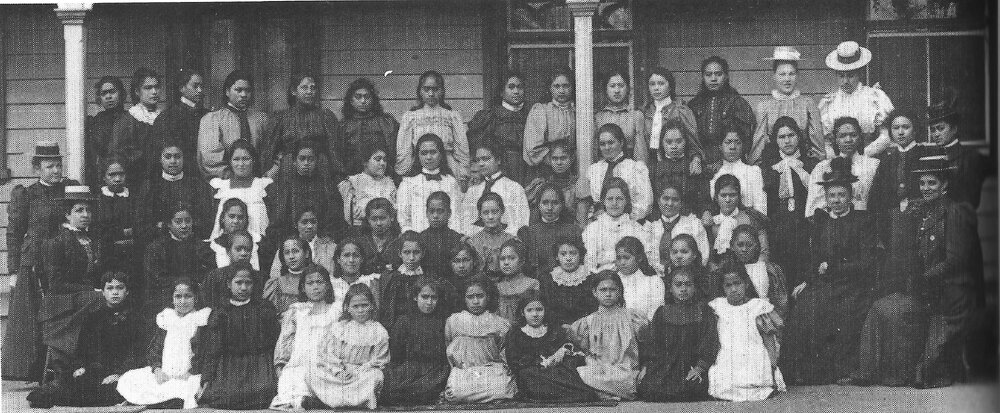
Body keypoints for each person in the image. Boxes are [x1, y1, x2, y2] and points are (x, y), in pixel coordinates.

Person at [783, 162, 877, 385]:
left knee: (842, 309)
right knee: (806, 305)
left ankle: (840, 369)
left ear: (850, 195)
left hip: (854, 284)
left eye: (841, 195)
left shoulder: (862, 222)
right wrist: (807, 280)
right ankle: (805, 371)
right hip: (824, 282)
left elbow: (866, 263)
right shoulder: (821, 222)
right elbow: (814, 259)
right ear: (825, 197)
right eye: (831, 195)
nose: (836, 200)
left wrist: (833, 268)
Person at [27, 271, 144, 408]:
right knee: (76, 384)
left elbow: (136, 351)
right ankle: (52, 394)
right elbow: (83, 348)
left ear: (127, 291)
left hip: (123, 372)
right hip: (97, 370)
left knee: (115, 390)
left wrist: (119, 373)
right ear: (103, 292)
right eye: (110, 288)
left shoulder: (135, 319)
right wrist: (80, 366)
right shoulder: (93, 317)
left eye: (120, 288)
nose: (115, 293)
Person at [36, 186, 107, 385]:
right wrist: (90, 290)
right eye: (79, 210)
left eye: (88, 210)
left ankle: (97, 364)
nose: (85, 215)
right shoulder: (56, 242)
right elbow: (55, 284)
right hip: (58, 301)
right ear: (67, 214)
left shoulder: (91, 240)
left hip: (82, 297)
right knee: (98, 299)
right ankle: (67, 364)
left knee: (109, 299)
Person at [116, 278, 210, 409]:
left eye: (188, 296)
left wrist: (191, 372)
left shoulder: (200, 320)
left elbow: (204, 351)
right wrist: (157, 369)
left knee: (185, 390)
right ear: (172, 299)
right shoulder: (166, 318)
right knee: (129, 380)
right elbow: (155, 348)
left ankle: (162, 403)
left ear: (196, 298)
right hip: (165, 373)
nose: (182, 301)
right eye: (178, 296)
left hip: (188, 375)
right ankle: (149, 402)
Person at [200, 264, 279, 409]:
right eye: (238, 283)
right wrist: (206, 379)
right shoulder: (221, 312)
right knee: (224, 395)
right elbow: (213, 349)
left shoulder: (263, 309)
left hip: (258, 364)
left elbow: (274, 342)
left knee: (264, 391)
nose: (243, 288)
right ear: (229, 284)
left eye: (248, 283)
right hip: (229, 365)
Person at [637, 268, 718, 402]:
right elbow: (653, 343)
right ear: (670, 288)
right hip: (666, 365)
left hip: (692, 364)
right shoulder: (662, 312)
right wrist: (646, 366)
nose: (683, 289)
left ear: (695, 287)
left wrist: (700, 367)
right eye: (678, 285)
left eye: (688, 284)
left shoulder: (704, 312)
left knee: (692, 388)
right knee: (649, 388)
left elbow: (710, 341)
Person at [707, 265, 786, 402]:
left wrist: (772, 364)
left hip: (753, 353)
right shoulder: (718, 307)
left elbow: (768, 339)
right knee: (723, 381)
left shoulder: (756, 307)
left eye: (737, 284)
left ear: (746, 284)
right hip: (729, 354)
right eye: (728, 285)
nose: (733, 289)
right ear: (723, 288)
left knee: (756, 379)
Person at [506, 292, 599, 402]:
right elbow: (514, 361)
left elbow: (569, 347)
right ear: (522, 312)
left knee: (568, 369)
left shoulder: (553, 330)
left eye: (539, 309)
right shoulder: (515, 333)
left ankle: (573, 394)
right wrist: (542, 363)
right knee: (527, 375)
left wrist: (562, 351)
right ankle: (570, 395)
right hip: (532, 373)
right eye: (529, 310)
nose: (535, 314)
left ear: (545, 311)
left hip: (555, 370)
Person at [568, 270, 647, 400]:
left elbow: (646, 346)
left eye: (612, 289)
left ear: (620, 291)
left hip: (626, 372)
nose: (608, 294)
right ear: (595, 292)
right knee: (581, 373)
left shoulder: (632, 317)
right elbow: (584, 351)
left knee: (632, 379)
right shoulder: (588, 322)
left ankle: (604, 392)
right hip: (599, 371)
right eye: (603, 290)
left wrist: (644, 367)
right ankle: (608, 392)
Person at [760, 117, 819, 286]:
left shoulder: (810, 165)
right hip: (779, 229)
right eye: (781, 137)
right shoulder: (769, 168)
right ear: (775, 140)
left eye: (791, 135)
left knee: (804, 273)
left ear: (799, 137)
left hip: (805, 227)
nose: (787, 141)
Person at [269, 266, 336, 411]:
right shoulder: (297, 311)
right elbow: (285, 340)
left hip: (327, 363)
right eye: (310, 283)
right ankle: (306, 400)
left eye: (320, 282)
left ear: (328, 285)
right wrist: (281, 364)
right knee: (290, 382)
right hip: (300, 363)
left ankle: (320, 398)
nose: (315, 287)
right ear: (303, 288)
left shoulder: (335, 311)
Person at [443, 277, 517, 403]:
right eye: (470, 297)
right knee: (454, 393)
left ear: (488, 297)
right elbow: (449, 347)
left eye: (480, 296)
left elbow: (503, 351)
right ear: (464, 299)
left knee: (506, 389)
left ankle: (476, 395)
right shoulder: (453, 321)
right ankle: (486, 396)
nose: (476, 301)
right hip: (464, 371)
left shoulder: (500, 323)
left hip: (491, 370)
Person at [748, 47, 826, 164]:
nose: (787, 79)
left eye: (791, 74)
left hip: (804, 163)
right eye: (782, 74)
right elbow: (758, 145)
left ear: (797, 75)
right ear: (774, 76)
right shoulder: (764, 107)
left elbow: (817, 144)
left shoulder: (808, 104)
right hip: (772, 164)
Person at [262, 73, 345, 184]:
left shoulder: (325, 116)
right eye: (304, 87)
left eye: (313, 88)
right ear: (294, 91)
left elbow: (334, 148)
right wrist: (269, 172)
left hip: (320, 170)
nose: (309, 91)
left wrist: (338, 176)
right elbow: (270, 148)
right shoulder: (281, 118)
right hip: (289, 170)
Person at [381, 277, 452, 406]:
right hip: (409, 368)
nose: (429, 302)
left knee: (432, 383)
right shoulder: (404, 320)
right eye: (425, 297)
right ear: (415, 297)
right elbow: (397, 354)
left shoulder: (442, 321)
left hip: (434, 369)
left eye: (434, 298)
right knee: (391, 386)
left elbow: (444, 354)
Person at [267, 139, 347, 247]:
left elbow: (335, 218)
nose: (306, 163)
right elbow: (279, 220)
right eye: (302, 159)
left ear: (317, 161)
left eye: (310, 159)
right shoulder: (285, 187)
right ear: (294, 162)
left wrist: (325, 237)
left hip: (322, 240)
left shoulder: (327, 186)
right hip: (293, 240)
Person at [819, 41, 894, 157]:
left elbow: (886, 135)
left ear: (859, 73)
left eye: (850, 75)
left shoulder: (875, 97)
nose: (845, 81)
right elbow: (825, 142)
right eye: (841, 76)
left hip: (871, 158)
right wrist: (837, 160)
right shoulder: (828, 103)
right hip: (839, 163)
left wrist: (863, 157)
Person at [396, 70, 470, 185]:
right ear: (420, 91)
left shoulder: (451, 116)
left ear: (442, 91)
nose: (431, 93)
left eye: (435, 89)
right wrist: (404, 173)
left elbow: (462, 148)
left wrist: (463, 173)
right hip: (419, 166)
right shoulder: (411, 117)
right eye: (426, 89)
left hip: (448, 167)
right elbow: (404, 150)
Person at [135, 141, 214, 245]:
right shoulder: (150, 187)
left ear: (183, 158)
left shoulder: (197, 185)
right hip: (160, 244)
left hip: (191, 243)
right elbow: (142, 224)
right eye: (168, 157)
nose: (173, 161)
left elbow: (205, 221)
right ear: (160, 159)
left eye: (177, 157)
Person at [198, 70, 268, 180]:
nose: (244, 95)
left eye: (248, 90)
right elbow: (210, 158)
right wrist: (232, 178)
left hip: (258, 182)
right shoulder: (213, 119)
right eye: (238, 90)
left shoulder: (261, 119)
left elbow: (267, 152)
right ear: (227, 92)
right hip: (226, 183)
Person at [688, 56, 756, 168]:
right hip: (699, 165)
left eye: (718, 74)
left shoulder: (738, 103)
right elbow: (689, 139)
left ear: (726, 76)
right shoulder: (694, 105)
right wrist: (696, 158)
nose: (713, 79)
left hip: (730, 164)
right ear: (703, 77)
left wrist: (723, 162)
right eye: (708, 74)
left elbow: (746, 140)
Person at [805, 117, 882, 217]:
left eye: (853, 135)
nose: (848, 140)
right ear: (835, 139)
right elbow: (815, 205)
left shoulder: (873, 165)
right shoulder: (822, 167)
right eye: (842, 136)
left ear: (859, 138)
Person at [144, 203, 212, 314]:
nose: (184, 226)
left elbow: (208, 275)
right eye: (178, 222)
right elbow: (158, 279)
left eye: (188, 221)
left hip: (196, 298)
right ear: (169, 224)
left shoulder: (201, 247)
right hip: (166, 300)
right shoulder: (156, 249)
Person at [468, 72, 531, 185]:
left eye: (519, 87)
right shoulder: (490, 116)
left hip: (526, 171)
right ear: (502, 92)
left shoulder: (531, 115)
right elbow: (478, 149)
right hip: (499, 170)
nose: (516, 91)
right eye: (511, 87)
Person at [927, 94, 989, 209]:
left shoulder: (971, 157)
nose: (935, 134)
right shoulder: (931, 157)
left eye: (940, 128)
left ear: (954, 129)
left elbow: (972, 199)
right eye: (932, 130)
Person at [584, 123, 653, 221]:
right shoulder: (594, 170)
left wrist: (622, 220)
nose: (607, 147)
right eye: (602, 144)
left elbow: (645, 204)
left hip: (628, 224)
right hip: (600, 224)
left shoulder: (636, 168)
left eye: (611, 142)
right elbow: (589, 203)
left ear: (621, 142)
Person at [396, 133, 463, 233]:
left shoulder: (450, 181)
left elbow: (455, 215)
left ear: (441, 154)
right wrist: (411, 236)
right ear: (417, 155)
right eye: (424, 153)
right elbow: (404, 217)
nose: (428, 157)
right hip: (418, 238)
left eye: (433, 152)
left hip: (446, 238)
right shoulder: (408, 183)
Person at [111, 67, 166, 188]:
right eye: (148, 88)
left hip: (163, 180)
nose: (154, 92)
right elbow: (120, 155)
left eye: (156, 87)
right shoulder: (127, 120)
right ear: (137, 91)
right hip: (137, 182)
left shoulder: (165, 117)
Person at [208, 139, 273, 243]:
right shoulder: (221, 188)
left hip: (257, 245)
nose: (241, 164)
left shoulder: (263, 186)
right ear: (230, 162)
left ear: (253, 160)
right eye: (236, 159)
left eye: (246, 159)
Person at [643, 67, 703, 177]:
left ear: (670, 86)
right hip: (651, 166)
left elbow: (693, 144)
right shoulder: (646, 112)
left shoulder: (681, 110)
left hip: (676, 166)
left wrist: (696, 159)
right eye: (652, 84)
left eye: (661, 84)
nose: (656, 88)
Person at [461, 144, 530, 236]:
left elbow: (521, 222)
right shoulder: (473, 191)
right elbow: (464, 221)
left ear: (498, 160)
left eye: (486, 159)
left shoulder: (514, 188)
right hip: (476, 240)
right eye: (478, 160)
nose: (481, 164)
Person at [641, 182, 710, 273]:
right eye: (666, 198)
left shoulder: (694, 225)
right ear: (658, 201)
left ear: (681, 203)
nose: (670, 203)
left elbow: (703, 256)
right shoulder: (649, 228)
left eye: (675, 200)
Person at [582, 178, 649, 273]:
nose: (614, 203)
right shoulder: (593, 229)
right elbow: (589, 263)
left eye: (619, 199)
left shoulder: (636, 229)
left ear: (626, 201)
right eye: (610, 199)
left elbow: (642, 261)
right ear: (603, 201)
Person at [338, 77, 400, 179]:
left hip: (383, 176)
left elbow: (395, 151)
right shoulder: (344, 125)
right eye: (358, 97)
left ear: (373, 99)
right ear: (351, 100)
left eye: (367, 97)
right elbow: (339, 156)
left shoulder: (386, 122)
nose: (363, 101)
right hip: (353, 177)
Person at [518, 183, 582, 274]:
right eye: (545, 202)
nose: (549, 208)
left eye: (555, 203)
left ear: (562, 205)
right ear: (538, 205)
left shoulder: (573, 231)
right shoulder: (530, 233)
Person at [704, 174, 769, 263]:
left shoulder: (751, 218)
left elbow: (764, 252)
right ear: (716, 197)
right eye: (723, 195)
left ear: (739, 197)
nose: (727, 200)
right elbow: (708, 254)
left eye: (732, 195)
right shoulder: (711, 222)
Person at [523, 69, 576, 178]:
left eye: (566, 86)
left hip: (574, 169)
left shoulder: (577, 112)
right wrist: (557, 161)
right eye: (557, 86)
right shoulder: (541, 110)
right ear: (550, 88)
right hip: (547, 171)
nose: (561, 90)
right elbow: (533, 149)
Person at [729, 225, 790, 319]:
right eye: (740, 245)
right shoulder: (726, 272)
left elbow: (781, 303)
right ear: (732, 246)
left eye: (749, 245)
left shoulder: (770, 269)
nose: (744, 249)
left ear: (757, 246)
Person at [650, 119, 708, 217]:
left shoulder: (693, 166)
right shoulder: (655, 168)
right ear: (662, 143)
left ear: (685, 141)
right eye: (668, 142)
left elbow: (704, 197)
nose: (674, 146)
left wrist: (706, 211)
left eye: (679, 141)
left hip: (689, 217)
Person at [523, 140, 586, 225]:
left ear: (571, 159)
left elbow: (581, 220)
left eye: (563, 158)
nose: (559, 163)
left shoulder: (577, 186)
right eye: (555, 158)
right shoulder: (541, 184)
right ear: (549, 159)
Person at [94, 155, 138, 277]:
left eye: (121, 174)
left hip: (131, 255)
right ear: (104, 177)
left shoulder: (134, 198)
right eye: (111, 175)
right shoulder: (98, 200)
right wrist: (124, 232)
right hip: (105, 255)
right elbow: (98, 228)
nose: (117, 179)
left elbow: (140, 225)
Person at [708, 128, 767, 217]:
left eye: (737, 142)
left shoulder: (753, 172)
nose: (733, 147)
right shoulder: (713, 173)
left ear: (743, 146)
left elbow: (760, 209)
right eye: (728, 142)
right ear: (720, 146)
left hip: (748, 225)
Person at [156, 68, 209, 167]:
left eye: (201, 86)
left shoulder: (208, 115)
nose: (200, 90)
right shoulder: (168, 117)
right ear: (182, 88)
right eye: (195, 86)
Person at [594, 69, 648, 164]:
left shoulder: (636, 115)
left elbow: (640, 152)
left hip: (629, 168)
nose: (617, 90)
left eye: (621, 86)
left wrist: (640, 172)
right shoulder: (599, 117)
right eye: (612, 86)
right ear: (606, 89)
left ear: (627, 89)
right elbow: (594, 151)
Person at [539, 237, 597, 328]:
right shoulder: (548, 279)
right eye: (563, 254)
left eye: (573, 253)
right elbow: (546, 308)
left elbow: (594, 308)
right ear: (556, 257)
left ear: (580, 255)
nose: (568, 258)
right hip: (556, 327)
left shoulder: (591, 278)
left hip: (585, 327)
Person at [267, 207, 338, 279]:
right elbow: (275, 277)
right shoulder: (286, 249)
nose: (310, 226)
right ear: (296, 225)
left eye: (313, 222)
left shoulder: (331, 247)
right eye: (304, 222)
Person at [339, 145, 397, 228]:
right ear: (365, 162)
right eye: (378, 159)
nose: (382, 163)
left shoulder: (389, 183)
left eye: (385, 160)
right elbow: (350, 217)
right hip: (361, 231)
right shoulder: (352, 183)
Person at [85, 76, 126, 187]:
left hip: (124, 177)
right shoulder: (96, 122)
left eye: (112, 92)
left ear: (121, 94)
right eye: (104, 93)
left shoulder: (130, 120)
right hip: (102, 178)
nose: (108, 96)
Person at [329, 238, 384, 321]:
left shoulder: (372, 281)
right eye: (346, 255)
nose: (351, 260)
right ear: (338, 259)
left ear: (362, 259)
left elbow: (376, 314)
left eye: (356, 255)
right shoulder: (331, 283)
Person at [200, 230, 258, 307]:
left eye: (248, 250)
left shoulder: (258, 277)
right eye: (238, 249)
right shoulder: (215, 276)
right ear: (228, 251)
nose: (243, 253)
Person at [379, 231, 426, 327]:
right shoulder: (390, 277)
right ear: (400, 253)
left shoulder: (427, 277)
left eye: (416, 252)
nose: (412, 258)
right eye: (407, 252)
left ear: (423, 253)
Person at [616, 236, 665, 321]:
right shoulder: (611, 281)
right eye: (619, 258)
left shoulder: (653, 281)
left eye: (626, 258)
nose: (622, 262)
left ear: (639, 258)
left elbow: (654, 315)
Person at [205, 198, 263, 270]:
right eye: (231, 216)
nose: (236, 221)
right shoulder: (210, 248)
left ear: (246, 220)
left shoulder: (259, 244)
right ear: (223, 218)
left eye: (240, 217)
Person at [262, 236, 314, 315]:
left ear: (306, 253)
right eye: (287, 253)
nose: (291, 257)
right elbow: (269, 316)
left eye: (295, 251)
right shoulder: (276, 284)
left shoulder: (315, 281)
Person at [467, 192, 516, 275]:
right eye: (486, 213)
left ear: (502, 211)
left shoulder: (511, 240)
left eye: (494, 212)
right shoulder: (473, 241)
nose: (490, 217)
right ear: (480, 215)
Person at [350, 198, 403, 274]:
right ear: (368, 219)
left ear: (392, 217)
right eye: (374, 219)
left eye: (382, 218)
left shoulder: (399, 240)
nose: (378, 223)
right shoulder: (360, 241)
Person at [419, 191, 464, 277]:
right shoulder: (420, 239)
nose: (435, 216)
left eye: (440, 211)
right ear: (426, 213)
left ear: (449, 213)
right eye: (431, 211)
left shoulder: (457, 238)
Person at [495, 239, 540, 323]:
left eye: (512, 258)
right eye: (502, 259)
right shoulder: (498, 287)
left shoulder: (531, 284)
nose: (506, 263)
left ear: (521, 261)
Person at [665, 234, 715, 299]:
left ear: (694, 255)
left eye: (684, 252)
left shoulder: (703, 276)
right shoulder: (668, 275)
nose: (678, 256)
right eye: (675, 252)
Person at [443, 243, 483, 308]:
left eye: (466, 260)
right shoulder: (446, 285)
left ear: (474, 261)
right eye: (456, 261)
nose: (461, 266)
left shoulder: (482, 282)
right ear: (450, 263)